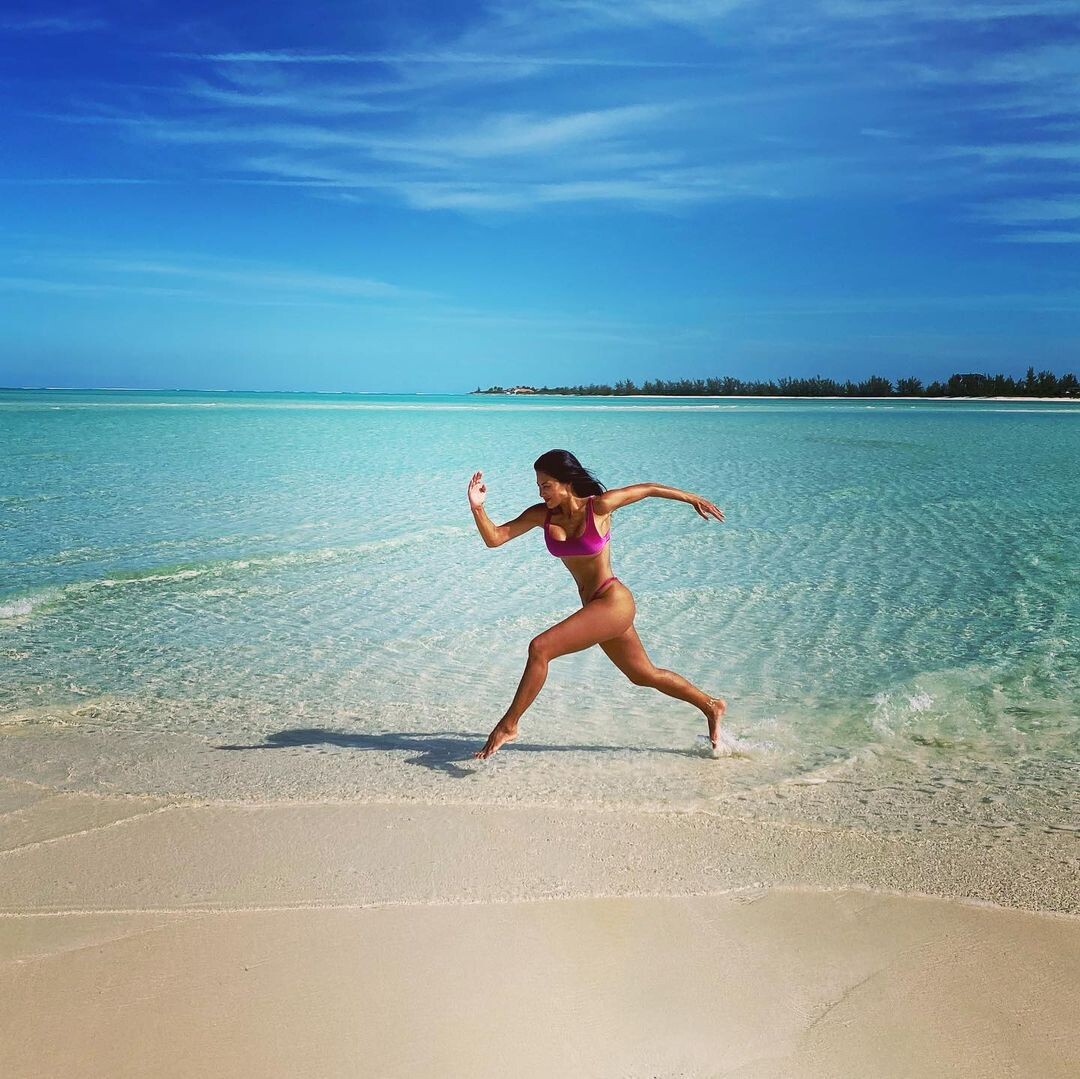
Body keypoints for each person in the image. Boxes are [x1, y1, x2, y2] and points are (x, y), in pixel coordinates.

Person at [468, 448, 728, 760]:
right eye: (538, 486)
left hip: (613, 601)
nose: (541, 493)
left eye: (546, 485)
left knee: (540, 648)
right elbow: (495, 538)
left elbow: (648, 489)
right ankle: (711, 705)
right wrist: (477, 507)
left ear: (566, 482)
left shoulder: (599, 507)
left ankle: (508, 726)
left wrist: (692, 498)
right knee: (644, 674)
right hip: (595, 608)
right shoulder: (542, 515)